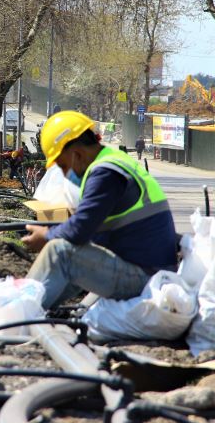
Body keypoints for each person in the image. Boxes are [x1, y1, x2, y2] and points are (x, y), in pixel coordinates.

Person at [23, 110, 177, 310]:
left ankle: (19, 311)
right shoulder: (114, 161)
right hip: (150, 273)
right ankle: (39, 308)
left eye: (62, 165)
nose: (63, 173)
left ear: (76, 154)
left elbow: (79, 231)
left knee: (59, 251)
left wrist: (47, 235)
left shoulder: (105, 173)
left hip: (145, 279)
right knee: (72, 265)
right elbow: (94, 235)